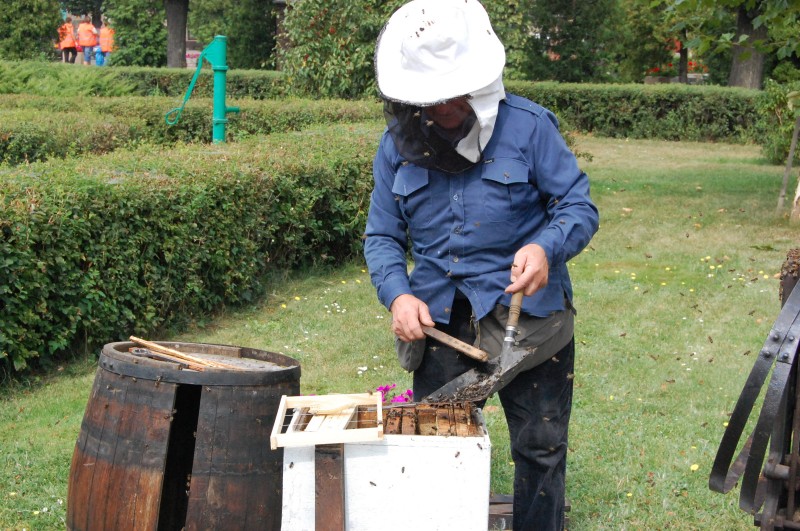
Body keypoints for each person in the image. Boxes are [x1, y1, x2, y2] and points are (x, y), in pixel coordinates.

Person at [363, 1, 599, 530]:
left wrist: (546, 247)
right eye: (429, 99)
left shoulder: (531, 128)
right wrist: (398, 295)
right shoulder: (396, 146)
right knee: (435, 452)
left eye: (450, 95)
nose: (441, 109)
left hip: (531, 326)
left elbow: (579, 207)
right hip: (440, 327)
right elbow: (381, 235)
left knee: (540, 452)